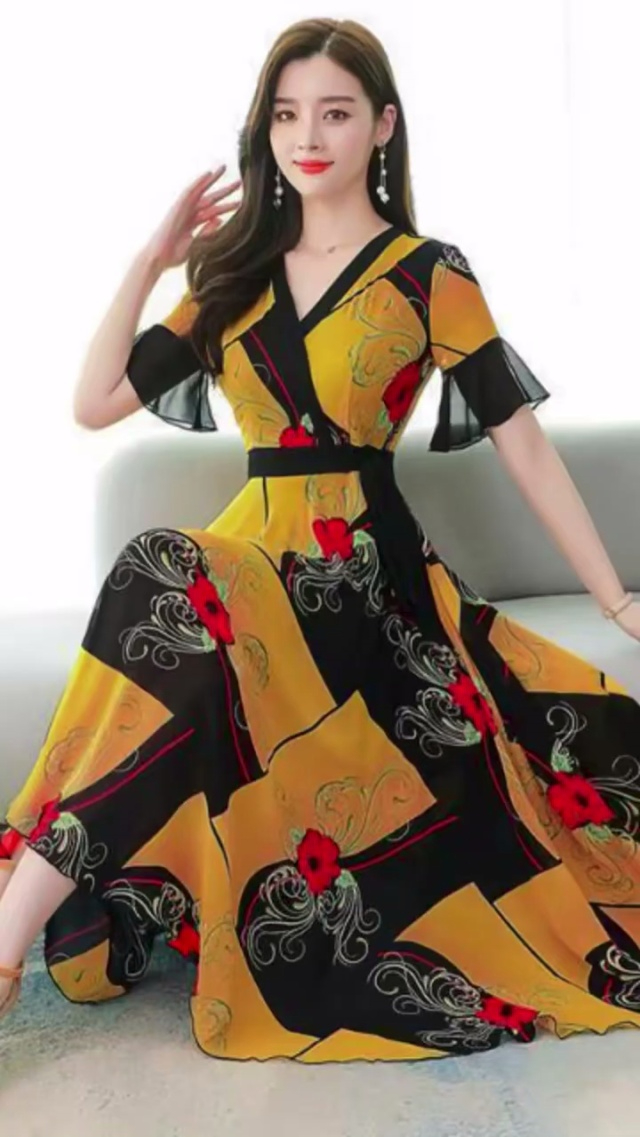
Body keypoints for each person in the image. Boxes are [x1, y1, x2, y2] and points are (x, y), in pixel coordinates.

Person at [2, 15, 640, 1065]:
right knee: (166, 582)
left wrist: (612, 594)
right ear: (265, 130)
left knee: (167, 580)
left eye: (335, 113)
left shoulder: (427, 273)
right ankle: (6, 943)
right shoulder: (233, 271)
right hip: (249, 566)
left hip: (366, 587)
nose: (308, 136)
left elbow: (522, 447)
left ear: (382, 126)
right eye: (287, 114)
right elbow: (94, 401)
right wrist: (152, 260)